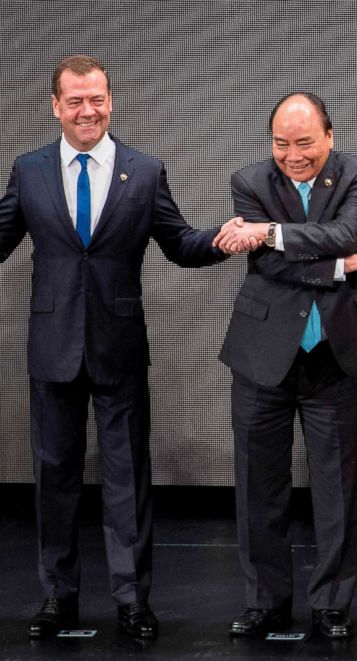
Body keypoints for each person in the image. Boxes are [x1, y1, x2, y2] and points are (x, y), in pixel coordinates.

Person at [0, 55, 236, 639]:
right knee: (54, 478)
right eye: (76, 100)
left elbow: (180, 244)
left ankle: (133, 599)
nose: (89, 110)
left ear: (111, 100)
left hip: (119, 346)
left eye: (97, 98)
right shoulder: (30, 171)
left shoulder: (144, 171)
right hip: (53, 348)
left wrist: (228, 238)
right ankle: (58, 596)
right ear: (56, 106)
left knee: (128, 476)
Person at [212, 92, 357, 639]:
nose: (292, 155)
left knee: (337, 486)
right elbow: (271, 268)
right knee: (258, 485)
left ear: (329, 136)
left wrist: (272, 233)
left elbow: (345, 233)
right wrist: (347, 266)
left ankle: (332, 603)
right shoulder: (250, 181)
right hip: (262, 354)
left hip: (334, 355)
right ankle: (263, 601)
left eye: (304, 143)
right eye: (280, 144)